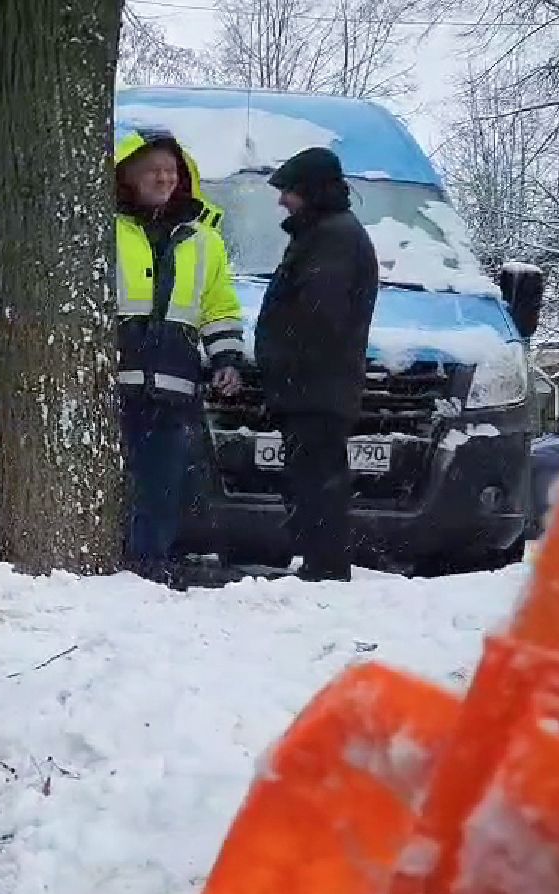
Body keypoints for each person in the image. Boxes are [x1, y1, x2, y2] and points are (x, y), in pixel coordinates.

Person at [113, 127, 247, 588]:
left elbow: (218, 305)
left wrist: (226, 357)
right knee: (114, 482)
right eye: (153, 170)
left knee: (162, 485)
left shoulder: (204, 239)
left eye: (171, 170)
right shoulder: (102, 227)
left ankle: (148, 567)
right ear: (127, 175)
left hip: (173, 382)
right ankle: (109, 567)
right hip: (109, 380)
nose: (164, 178)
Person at [255, 147, 380, 582]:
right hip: (313, 387)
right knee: (313, 478)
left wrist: (279, 360)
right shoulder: (326, 234)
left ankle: (323, 567)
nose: (281, 201)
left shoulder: (333, 238)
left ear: (309, 191)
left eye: (288, 191)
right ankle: (317, 561)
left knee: (317, 481)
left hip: (315, 388)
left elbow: (317, 317)